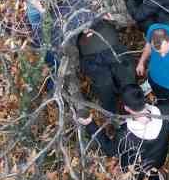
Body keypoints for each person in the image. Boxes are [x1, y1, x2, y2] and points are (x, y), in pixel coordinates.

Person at [56, 10, 137, 157]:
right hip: (91, 57)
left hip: (112, 48)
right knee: (104, 88)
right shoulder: (64, 16)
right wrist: (79, 33)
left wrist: (110, 17)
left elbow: (127, 19)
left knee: (127, 80)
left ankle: (133, 112)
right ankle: (114, 118)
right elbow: (67, 54)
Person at [117, 84, 167, 180]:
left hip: (134, 166)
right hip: (157, 159)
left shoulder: (125, 133)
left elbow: (109, 149)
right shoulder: (165, 112)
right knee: (153, 174)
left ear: (127, 108)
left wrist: (90, 124)